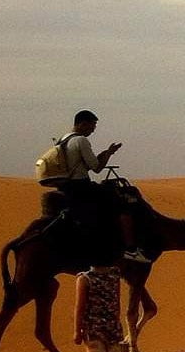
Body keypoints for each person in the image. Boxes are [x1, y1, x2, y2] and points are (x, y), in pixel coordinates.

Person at [46, 110, 150, 263]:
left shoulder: (63, 139)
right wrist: (109, 155)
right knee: (123, 205)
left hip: (67, 187)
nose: (93, 129)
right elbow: (96, 167)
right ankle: (131, 249)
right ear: (83, 124)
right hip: (81, 187)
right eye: (92, 125)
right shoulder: (81, 140)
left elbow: (82, 165)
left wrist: (106, 152)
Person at [73, 263, 127, 352]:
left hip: (93, 328)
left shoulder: (85, 279)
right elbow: (117, 299)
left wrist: (77, 331)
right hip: (112, 326)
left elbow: (80, 306)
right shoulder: (114, 274)